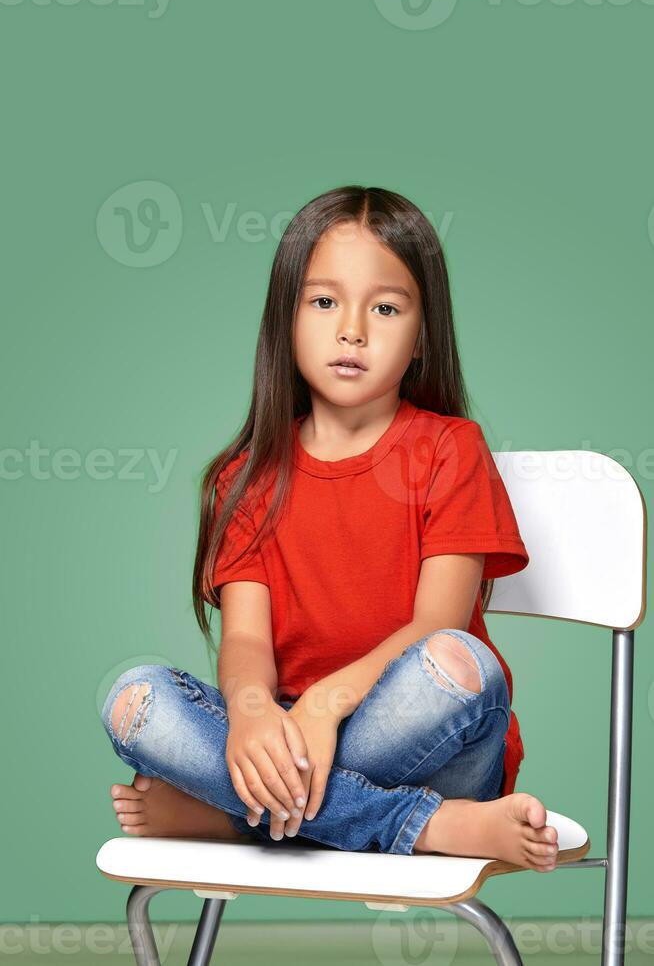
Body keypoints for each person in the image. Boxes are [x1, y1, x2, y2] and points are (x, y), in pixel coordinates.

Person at [101, 185, 559, 869]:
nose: (352, 329)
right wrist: (254, 711)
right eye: (324, 302)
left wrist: (322, 705)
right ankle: (424, 827)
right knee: (133, 699)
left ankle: (233, 815)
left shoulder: (449, 448)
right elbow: (247, 638)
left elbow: (440, 626)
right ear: (285, 319)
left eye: (386, 307)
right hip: (293, 746)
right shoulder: (246, 479)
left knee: (462, 669)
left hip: (428, 750)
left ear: (423, 333)